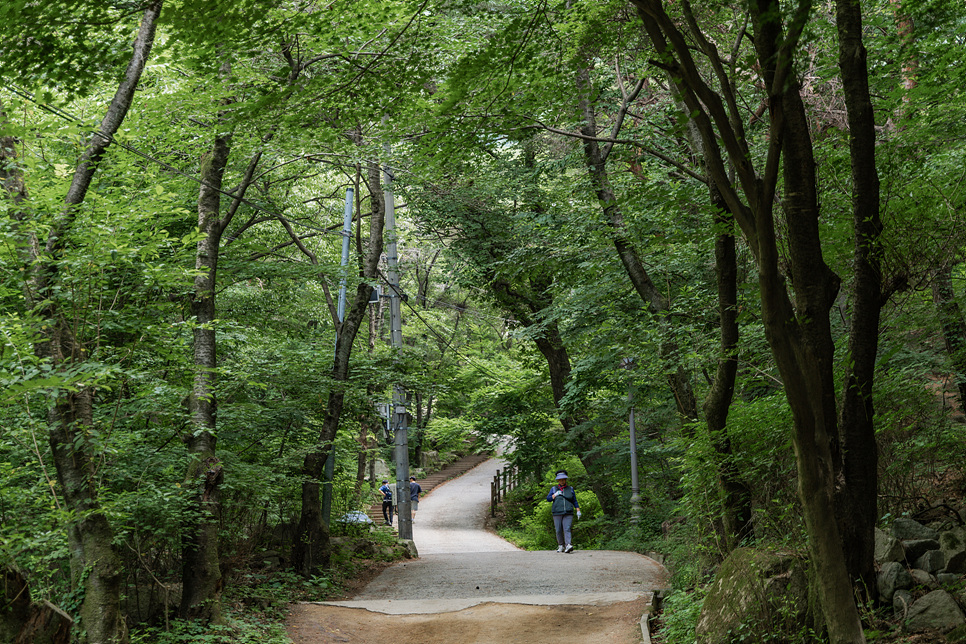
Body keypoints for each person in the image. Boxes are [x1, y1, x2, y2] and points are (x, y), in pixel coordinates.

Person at [547, 470, 581, 553]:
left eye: (563, 479)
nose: (562, 481)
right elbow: (548, 499)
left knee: (567, 528)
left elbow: (574, 500)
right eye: (560, 480)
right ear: (558, 480)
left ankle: (568, 545)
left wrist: (578, 510)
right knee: (558, 529)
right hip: (557, 512)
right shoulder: (554, 489)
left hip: (568, 512)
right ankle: (561, 545)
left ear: (565, 480)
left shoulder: (570, 489)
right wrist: (555, 495)